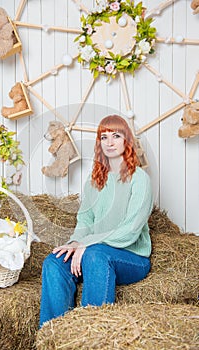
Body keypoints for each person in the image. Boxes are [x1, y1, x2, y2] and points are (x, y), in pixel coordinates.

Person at [39, 114, 153, 327]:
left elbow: (131, 229)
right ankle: (53, 334)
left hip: (132, 257)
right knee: (54, 260)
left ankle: (90, 334)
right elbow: (85, 219)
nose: (110, 142)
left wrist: (89, 244)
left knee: (94, 255)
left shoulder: (140, 179)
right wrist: (75, 243)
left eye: (116, 136)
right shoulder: (94, 180)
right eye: (104, 137)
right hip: (93, 251)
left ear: (126, 140)